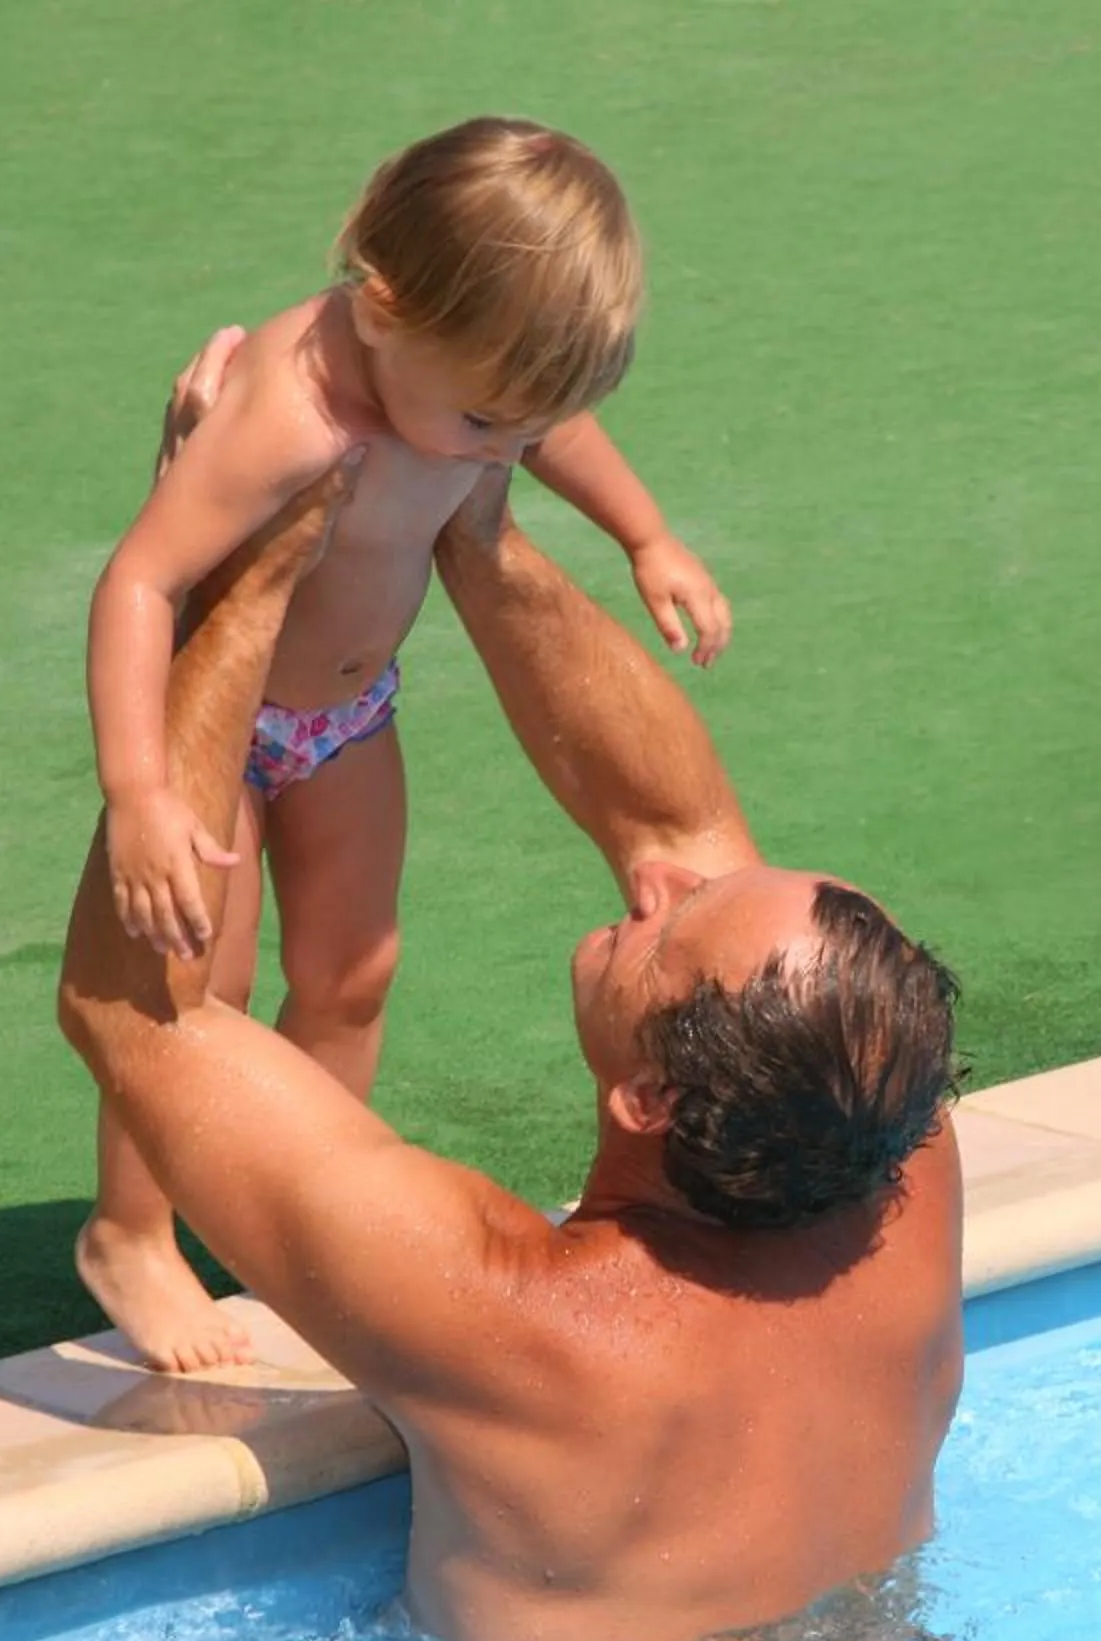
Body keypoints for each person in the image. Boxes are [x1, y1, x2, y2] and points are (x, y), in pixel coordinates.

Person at [57, 465, 1101, 1641]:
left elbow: (142, 1008)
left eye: (670, 928)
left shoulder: (514, 1317)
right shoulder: (894, 1157)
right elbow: (681, 821)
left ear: (652, 1103)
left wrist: (243, 580)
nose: (659, 879)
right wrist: (479, 532)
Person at [78, 115, 736, 1371]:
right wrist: (138, 791)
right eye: (490, 421)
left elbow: (555, 429)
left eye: (520, 427)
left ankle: (305, 1216)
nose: (507, 454)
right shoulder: (293, 415)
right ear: (380, 310)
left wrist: (645, 535)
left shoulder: (466, 381)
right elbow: (139, 584)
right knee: (189, 996)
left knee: (354, 970)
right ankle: (130, 1232)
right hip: (224, 727)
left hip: (348, 714)